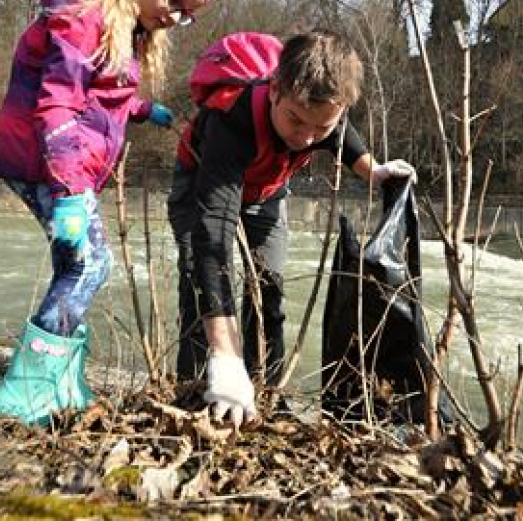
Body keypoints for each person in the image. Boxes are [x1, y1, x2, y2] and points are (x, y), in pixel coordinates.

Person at [0, 0, 213, 426]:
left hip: (64, 161)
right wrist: (67, 191)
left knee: (83, 265)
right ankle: (25, 391)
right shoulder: (85, 16)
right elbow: (58, 101)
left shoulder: (120, 25)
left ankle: (62, 381)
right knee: (88, 265)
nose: (176, 16)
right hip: (46, 160)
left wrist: (140, 109)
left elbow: (98, 89)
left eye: (188, 14)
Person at [167, 30, 416, 428]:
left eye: (319, 128)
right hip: (202, 183)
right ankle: (197, 395)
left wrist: (374, 171)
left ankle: (266, 399)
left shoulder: (323, 116)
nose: (304, 138)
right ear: (275, 89)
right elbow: (213, 236)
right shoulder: (231, 119)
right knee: (202, 292)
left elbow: (340, 136)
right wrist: (227, 355)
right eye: (296, 120)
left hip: (266, 192)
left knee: (269, 291)